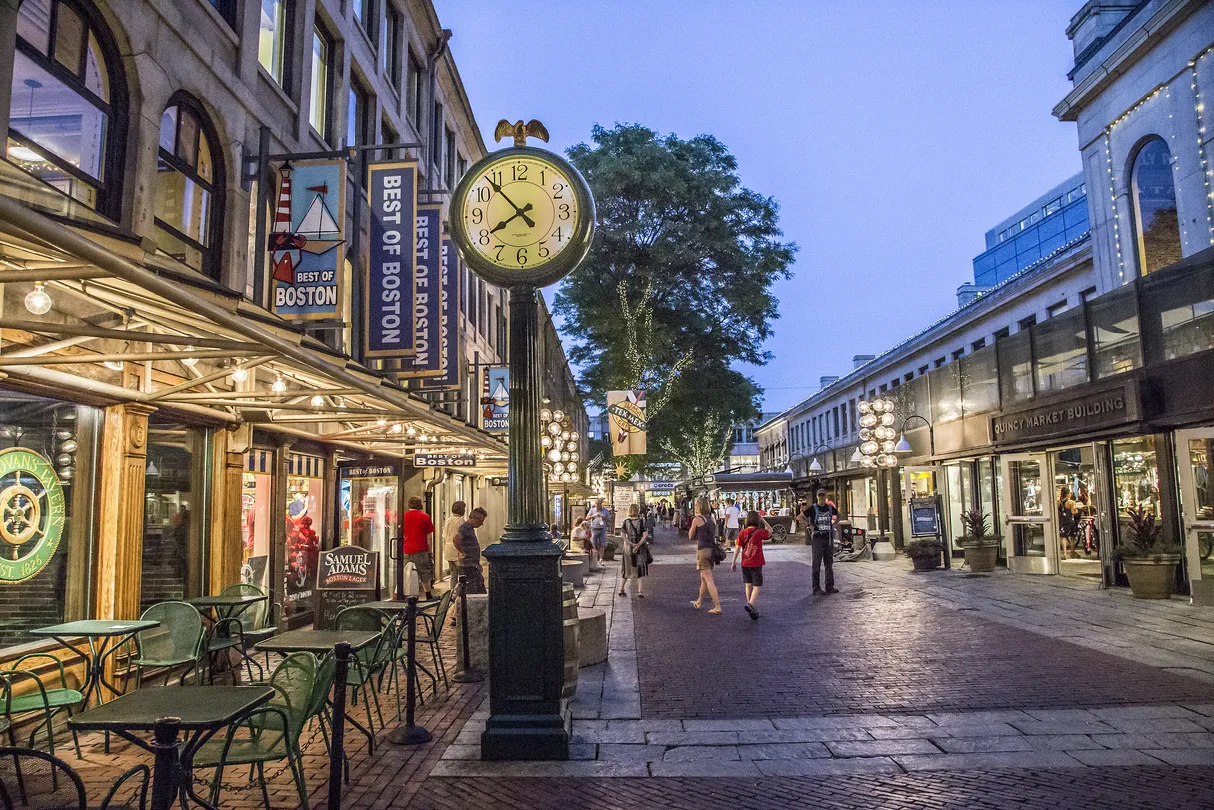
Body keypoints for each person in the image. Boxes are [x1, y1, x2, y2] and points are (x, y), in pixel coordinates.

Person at [731, 511, 769, 620]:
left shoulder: (742, 533)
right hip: (756, 563)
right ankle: (751, 604)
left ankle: (750, 606)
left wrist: (733, 562)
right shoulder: (759, 532)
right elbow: (770, 531)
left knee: (748, 585)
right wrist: (763, 519)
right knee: (757, 585)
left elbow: (737, 549)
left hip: (745, 563)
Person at [689, 496, 722, 614]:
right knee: (703, 578)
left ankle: (717, 606)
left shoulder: (697, 519)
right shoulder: (712, 519)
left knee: (708, 578)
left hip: (702, 550)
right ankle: (699, 601)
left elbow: (691, 536)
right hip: (712, 550)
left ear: (699, 507)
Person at [400, 496, 435, 599]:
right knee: (424, 573)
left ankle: (402, 595)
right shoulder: (425, 517)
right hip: (420, 549)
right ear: (420, 504)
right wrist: (430, 553)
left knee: (405, 573)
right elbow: (429, 538)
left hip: (405, 549)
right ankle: (428, 595)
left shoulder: (403, 516)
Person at [805, 489, 838, 595]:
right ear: (817, 496)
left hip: (828, 538)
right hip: (818, 539)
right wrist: (810, 526)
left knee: (829, 563)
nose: (822, 497)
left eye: (823, 495)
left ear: (826, 496)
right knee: (816, 564)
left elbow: (839, 515)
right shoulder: (813, 508)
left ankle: (829, 586)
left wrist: (834, 525)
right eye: (820, 495)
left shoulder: (830, 508)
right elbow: (800, 517)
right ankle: (816, 588)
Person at [454, 507, 488, 594]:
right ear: (475, 519)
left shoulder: (469, 529)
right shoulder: (464, 528)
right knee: (474, 587)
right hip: (468, 564)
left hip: (472, 563)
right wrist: (462, 552)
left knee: (477, 584)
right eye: (481, 521)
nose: (482, 524)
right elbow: (456, 538)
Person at [619, 503, 650, 598]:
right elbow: (645, 535)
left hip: (628, 548)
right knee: (639, 568)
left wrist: (631, 544)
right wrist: (638, 545)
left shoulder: (626, 522)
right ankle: (640, 591)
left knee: (626, 568)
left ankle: (621, 589)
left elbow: (622, 535)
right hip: (640, 548)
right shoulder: (642, 521)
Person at [442, 501, 466, 584]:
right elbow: (462, 537)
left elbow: (444, 535)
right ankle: (461, 591)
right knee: (462, 574)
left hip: (448, 549)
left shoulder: (448, 520)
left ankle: (453, 590)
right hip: (457, 550)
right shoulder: (461, 521)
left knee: (453, 574)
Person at [1058, 486, 1080, 559]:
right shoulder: (1071, 502)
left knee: (1063, 537)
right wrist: (1076, 511)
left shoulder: (1058, 501)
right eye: (1070, 493)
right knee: (1072, 537)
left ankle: (1064, 553)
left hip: (1062, 521)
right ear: (1067, 494)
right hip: (1070, 521)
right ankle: (1072, 552)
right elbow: (1073, 512)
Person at [587, 499, 608, 564]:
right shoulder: (592, 510)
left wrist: (603, 517)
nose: (597, 505)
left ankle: (601, 559)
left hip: (602, 529)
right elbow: (587, 518)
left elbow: (609, 518)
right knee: (593, 544)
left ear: (601, 504)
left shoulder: (605, 510)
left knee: (602, 544)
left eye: (598, 504)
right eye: (596, 504)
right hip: (594, 528)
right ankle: (594, 559)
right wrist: (594, 516)